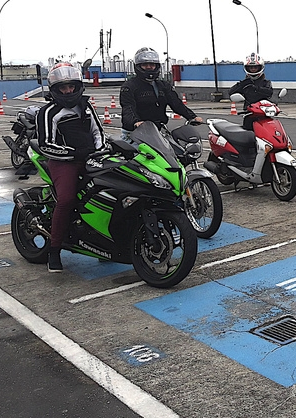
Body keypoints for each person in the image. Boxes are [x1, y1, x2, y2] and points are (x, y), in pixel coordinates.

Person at [36, 62, 106, 273]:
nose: (68, 91)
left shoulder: (86, 106)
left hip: (91, 158)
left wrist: (100, 151)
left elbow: (98, 132)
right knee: (66, 199)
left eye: (71, 86)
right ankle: (54, 250)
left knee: (108, 190)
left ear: (78, 86)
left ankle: (103, 243)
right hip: (62, 162)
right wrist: (74, 154)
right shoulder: (48, 112)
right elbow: (45, 145)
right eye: (63, 88)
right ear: (55, 89)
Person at [120, 47, 202, 141]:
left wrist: (192, 117)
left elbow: (176, 103)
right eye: (145, 65)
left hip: (158, 131)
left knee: (176, 152)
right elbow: (128, 108)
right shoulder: (129, 87)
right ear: (138, 66)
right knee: (136, 154)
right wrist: (136, 122)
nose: (149, 67)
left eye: (152, 64)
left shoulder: (163, 86)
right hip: (135, 133)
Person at [228, 53, 274, 130]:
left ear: (260, 67)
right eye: (251, 67)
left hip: (263, 113)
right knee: (247, 137)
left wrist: (255, 88)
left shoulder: (265, 82)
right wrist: (243, 84)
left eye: (255, 67)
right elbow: (231, 92)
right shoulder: (245, 83)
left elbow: (269, 92)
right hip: (249, 113)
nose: (253, 69)